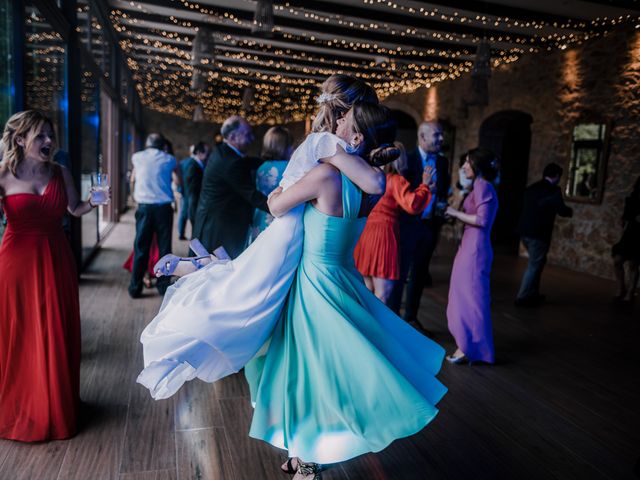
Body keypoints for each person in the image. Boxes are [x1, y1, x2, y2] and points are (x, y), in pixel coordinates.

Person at [137, 74, 385, 402]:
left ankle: (200, 267)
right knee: (251, 291)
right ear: (344, 113)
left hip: (296, 224)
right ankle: (199, 273)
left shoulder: (324, 143)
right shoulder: (328, 144)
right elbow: (373, 183)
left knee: (250, 281)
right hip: (292, 225)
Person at [246, 102, 446, 478]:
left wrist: (290, 180)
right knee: (322, 368)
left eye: (343, 119)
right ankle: (302, 454)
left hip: (315, 283)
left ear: (355, 137)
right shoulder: (366, 182)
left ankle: (306, 461)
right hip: (342, 276)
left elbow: (275, 206)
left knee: (308, 372)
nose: (334, 122)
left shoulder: (325, 175)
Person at [0, 110, 109, 441]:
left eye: (50, 135)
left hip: (55, 259)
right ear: (20, 139)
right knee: (18, 335)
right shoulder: (3, 174)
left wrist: (92, 201)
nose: (49, 141)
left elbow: (73, 210)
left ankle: (55, 405)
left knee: (56, 331)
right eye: (41, 136)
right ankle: (21, 405)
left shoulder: (60, 172)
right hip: (15, 264)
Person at [354, 142, 433, 304]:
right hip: (384, 236)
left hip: (366, 234)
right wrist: (425, 186)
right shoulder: (395, 180)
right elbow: (412, 204)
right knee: (383, 294)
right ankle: (374, 329)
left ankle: (363, 326)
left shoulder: (372, 177)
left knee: (367, 290)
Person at [388, 122, 450, 325]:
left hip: (430, 224)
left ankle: (411, 318)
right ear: (422, 137)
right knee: (401, 272)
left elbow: (442, 190)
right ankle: (394, 318)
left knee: (421, 274)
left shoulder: (442, 162)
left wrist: (441, 207)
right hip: (407, 224)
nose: (441, 139)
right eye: (436, 135)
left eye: (441, 135)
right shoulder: (408, 158)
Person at [444, 148, 499, 365]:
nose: (464, 167)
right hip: (468, 246)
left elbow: (483, 220)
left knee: (473, 299)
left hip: (475, 249)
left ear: (478, 166)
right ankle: (466, 344)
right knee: (463, 296)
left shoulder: (484, 186)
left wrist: (454, 213)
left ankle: (471, 348)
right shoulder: (476, 186)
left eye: (468, 163)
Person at [192, 116, 268, 258]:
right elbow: (252, 195)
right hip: (218, 228)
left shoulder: (223, 151)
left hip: (212, 220)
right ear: (233, 136)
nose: (252, 139)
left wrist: (267, 160)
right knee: (216, 271)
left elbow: (245, 162)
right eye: (248, 135)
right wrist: (279, 205)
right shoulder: (230, 162)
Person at [128, 133, 181, 298]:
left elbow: (133, 179)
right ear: (162, 145)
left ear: (147, 144)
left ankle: (135, 288)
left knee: (141, 247)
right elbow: (178, 181)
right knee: (165, 248)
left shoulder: (136, 157)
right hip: (163, 209)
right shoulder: (170, 159)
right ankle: (163, 286)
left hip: (144, 208)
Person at [515, 162, 573, 307]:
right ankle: (522, 296)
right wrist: (570, 211)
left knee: (538, 262)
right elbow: (562, 210)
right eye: (559, 177)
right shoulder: (553, 190)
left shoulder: (531, 188)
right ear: (557, 176)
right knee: (534, 264)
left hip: (524, 232)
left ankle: (533, 293)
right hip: (539, 234)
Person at [249, 126, 293, 243]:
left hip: (259, 215)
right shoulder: (290, 167)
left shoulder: (261, 167)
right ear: (285, 146)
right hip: (277, 217)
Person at [612, 176, 640, 303]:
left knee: (634, 264)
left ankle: (630, 293)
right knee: (618, 260)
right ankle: (621, 288)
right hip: (631, 232)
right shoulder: (633, 198)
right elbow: (625, 216)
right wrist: (623, 220)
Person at [184, 141, 209, 235]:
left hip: (196, 202)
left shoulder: (198, 164)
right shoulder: (192, 165)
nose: (208, 155)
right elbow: (192, 187)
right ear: (198, 152)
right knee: (196, 233)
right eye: (206, 152)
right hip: (195, 202)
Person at [177, 144, 195, 240]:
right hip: (189, 192)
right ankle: (191, 234)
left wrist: (180, 189)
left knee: (183, 213)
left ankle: (181, 233)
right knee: (189, 213)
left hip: (185, 191)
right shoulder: (198, 163)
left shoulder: (182, 163)